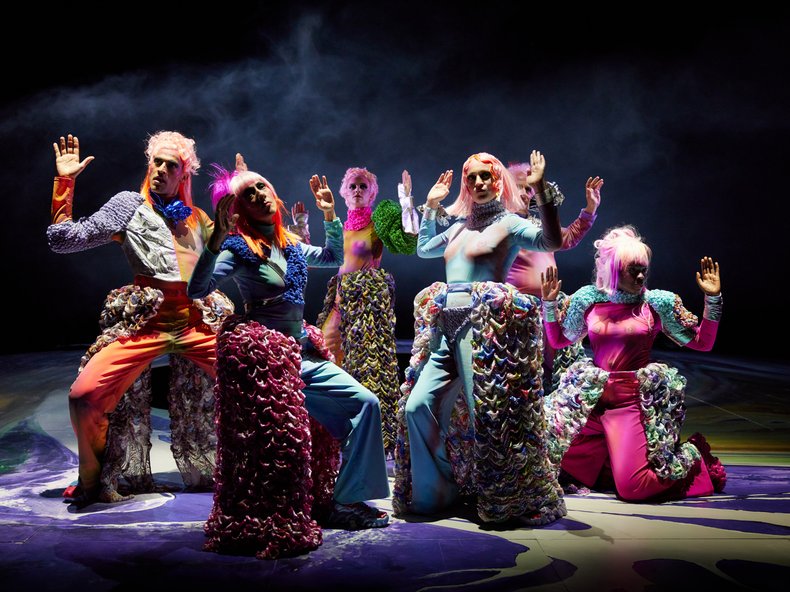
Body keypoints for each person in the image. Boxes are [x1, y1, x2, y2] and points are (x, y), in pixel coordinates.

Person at [187, 163, 390, 559]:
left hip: (301, 352)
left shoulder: (291, 243)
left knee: (366, 404)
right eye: (248, 194)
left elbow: (332, 256)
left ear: (274, 193)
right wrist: (214, 242)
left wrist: (330, 215)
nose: (259, 195)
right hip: (267, 363)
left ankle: (345, 500)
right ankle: (279, 510)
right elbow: (198, 288)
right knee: (286, 446)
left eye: (262, 186)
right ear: (238, 209)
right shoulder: (238, 249)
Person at [46, 132, 231, 505]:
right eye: (156, 162)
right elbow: (63, 239)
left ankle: (266, 472)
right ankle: (93, 482)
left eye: (170, 165)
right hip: (148, 321)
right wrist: (65, 182)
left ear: (184, 175)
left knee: (258, 382)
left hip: (195, 320)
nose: (160, 169)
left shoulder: (199, 219)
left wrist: (238, 191)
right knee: (85, 396)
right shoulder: (129, 205)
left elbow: (245, 251)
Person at [393, 150, 567, 524]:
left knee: (486, 416)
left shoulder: (510, 224)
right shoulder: (459, 226)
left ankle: (502, 497)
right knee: (416, 407)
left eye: (485, 176)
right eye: (471, 178)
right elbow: (423, 249)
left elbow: (551, 241)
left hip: (484, 330)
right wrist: (430, 206)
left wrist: (541, 192)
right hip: (445, 328)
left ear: (498, 181)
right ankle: (439, 491)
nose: (478, 183)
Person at [541, 225, 727, 501]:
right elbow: (558, 341)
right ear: (614, 270)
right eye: (633, 270)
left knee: (635, 488)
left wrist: (713, 300)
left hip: (629, 403)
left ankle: (696, 460)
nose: (640, 277)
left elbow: (703, 343)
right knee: (544, 457)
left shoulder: (656, 304)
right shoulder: (587, 300)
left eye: (644, 270)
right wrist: (548, 304)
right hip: (592, 399)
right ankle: (607, 458)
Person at [312, 167, 418, 455]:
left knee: (367, 369)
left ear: (372, 193)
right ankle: (330, 439)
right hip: (338, 305)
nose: (357, 190)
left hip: (366, 309)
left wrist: (407, 202)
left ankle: (370, 441)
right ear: (344, 194)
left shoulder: (377, 224)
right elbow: (321, 259)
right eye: (352, 186)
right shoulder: (339, 229)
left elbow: (408, 243)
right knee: (325, 361)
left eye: (363, 186)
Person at [506, 163, 603, 389]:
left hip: (548, 304)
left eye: (527, 188)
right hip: (516, 308)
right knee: (519, 368)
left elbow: (567, 238)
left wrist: (590, 209)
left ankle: (550, 403)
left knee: (553, 366)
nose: (523, 193)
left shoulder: (539, 226)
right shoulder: (501, 226)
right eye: (517, 187)